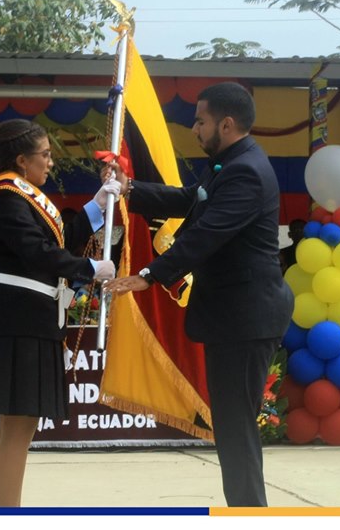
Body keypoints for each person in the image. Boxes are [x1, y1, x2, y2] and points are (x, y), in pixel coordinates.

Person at [105, 82, 293, 507]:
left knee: (235, 427)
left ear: (226, 124)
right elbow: (191, 201)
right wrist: (131, 189)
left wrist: (150, 274)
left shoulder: (246, 171)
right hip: (234, 315)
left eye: (200, 121)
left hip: (245, 317)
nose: (194, 129)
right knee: (229, 425)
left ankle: (250, 516)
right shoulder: (230, 163)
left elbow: (207, 234)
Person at [0, 119, 117, 507]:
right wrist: (89, 268)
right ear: (21, 159)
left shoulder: (21, 196)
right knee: (18, 423)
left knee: (20, 424)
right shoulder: (4, 196)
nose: (50, 162)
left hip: (30, 319)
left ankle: (7, 510)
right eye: (44, 155)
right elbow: (36, 251)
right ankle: (8, 514)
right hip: (17, 320)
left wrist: (97, 207)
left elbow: (57, 239)